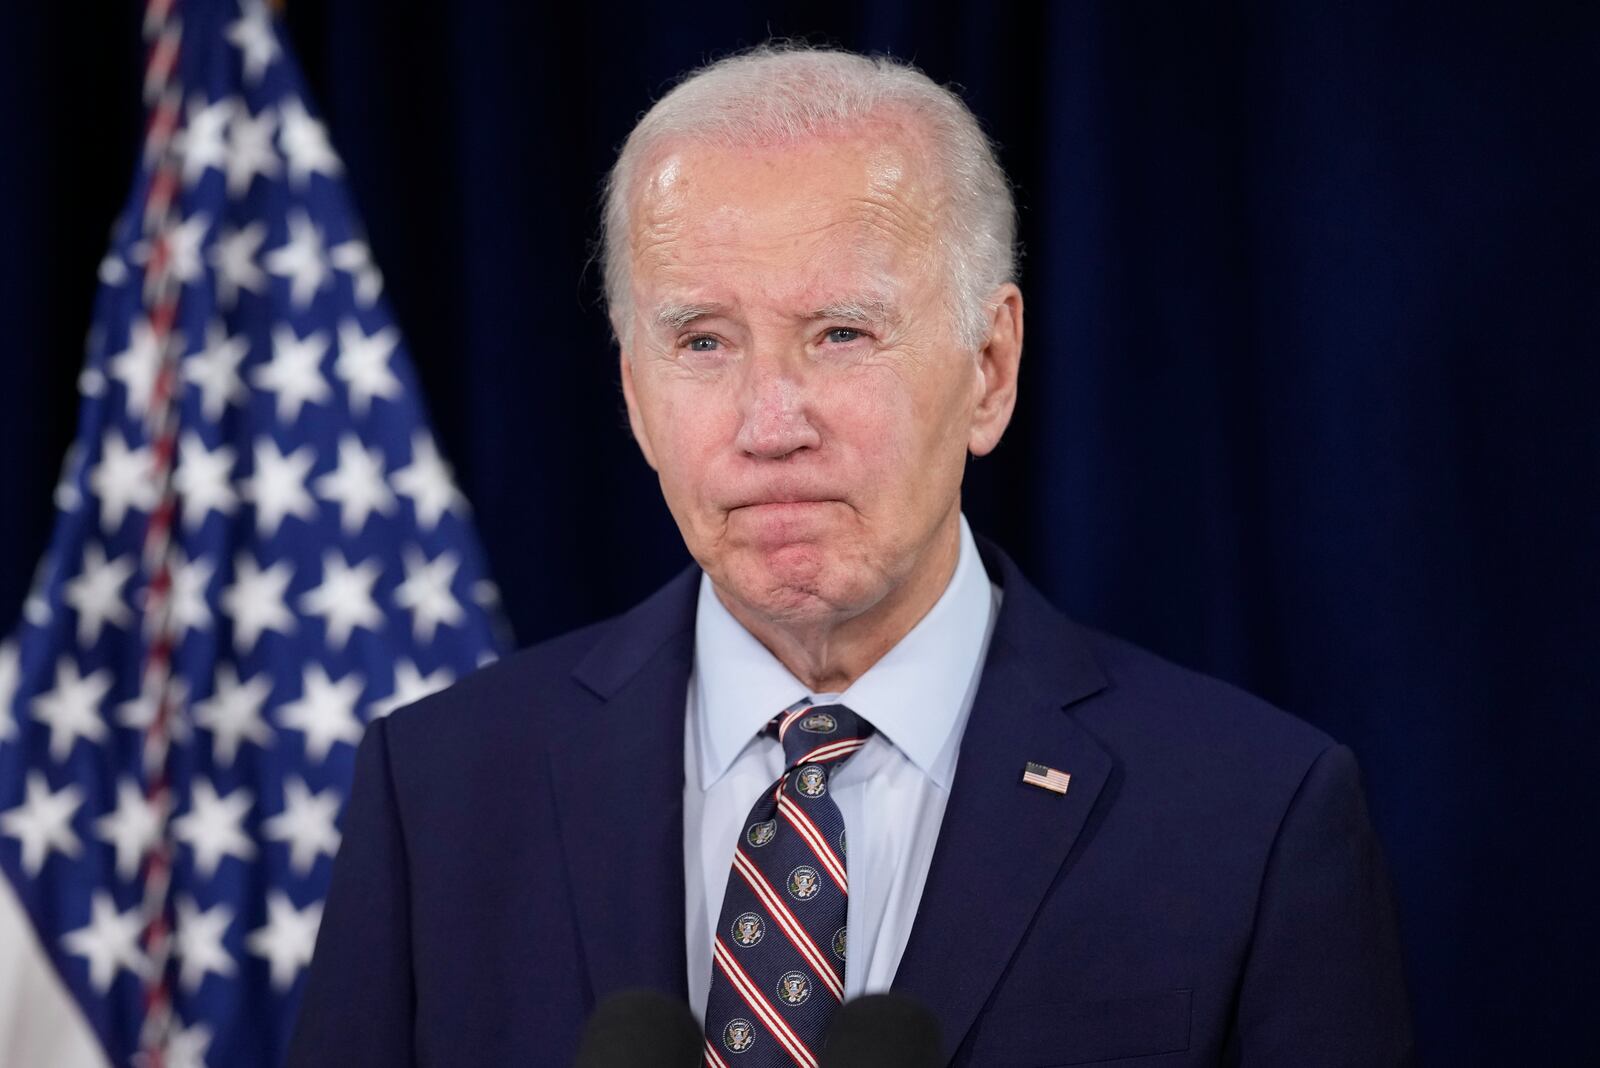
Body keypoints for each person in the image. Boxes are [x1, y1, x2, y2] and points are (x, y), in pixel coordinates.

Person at [289, 45, 1414, 1067]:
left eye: (840, 334)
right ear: (633, 394)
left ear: (989, 366)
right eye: (702, 342)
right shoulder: (435, 793)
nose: (770, 420)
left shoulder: (1249, 816)